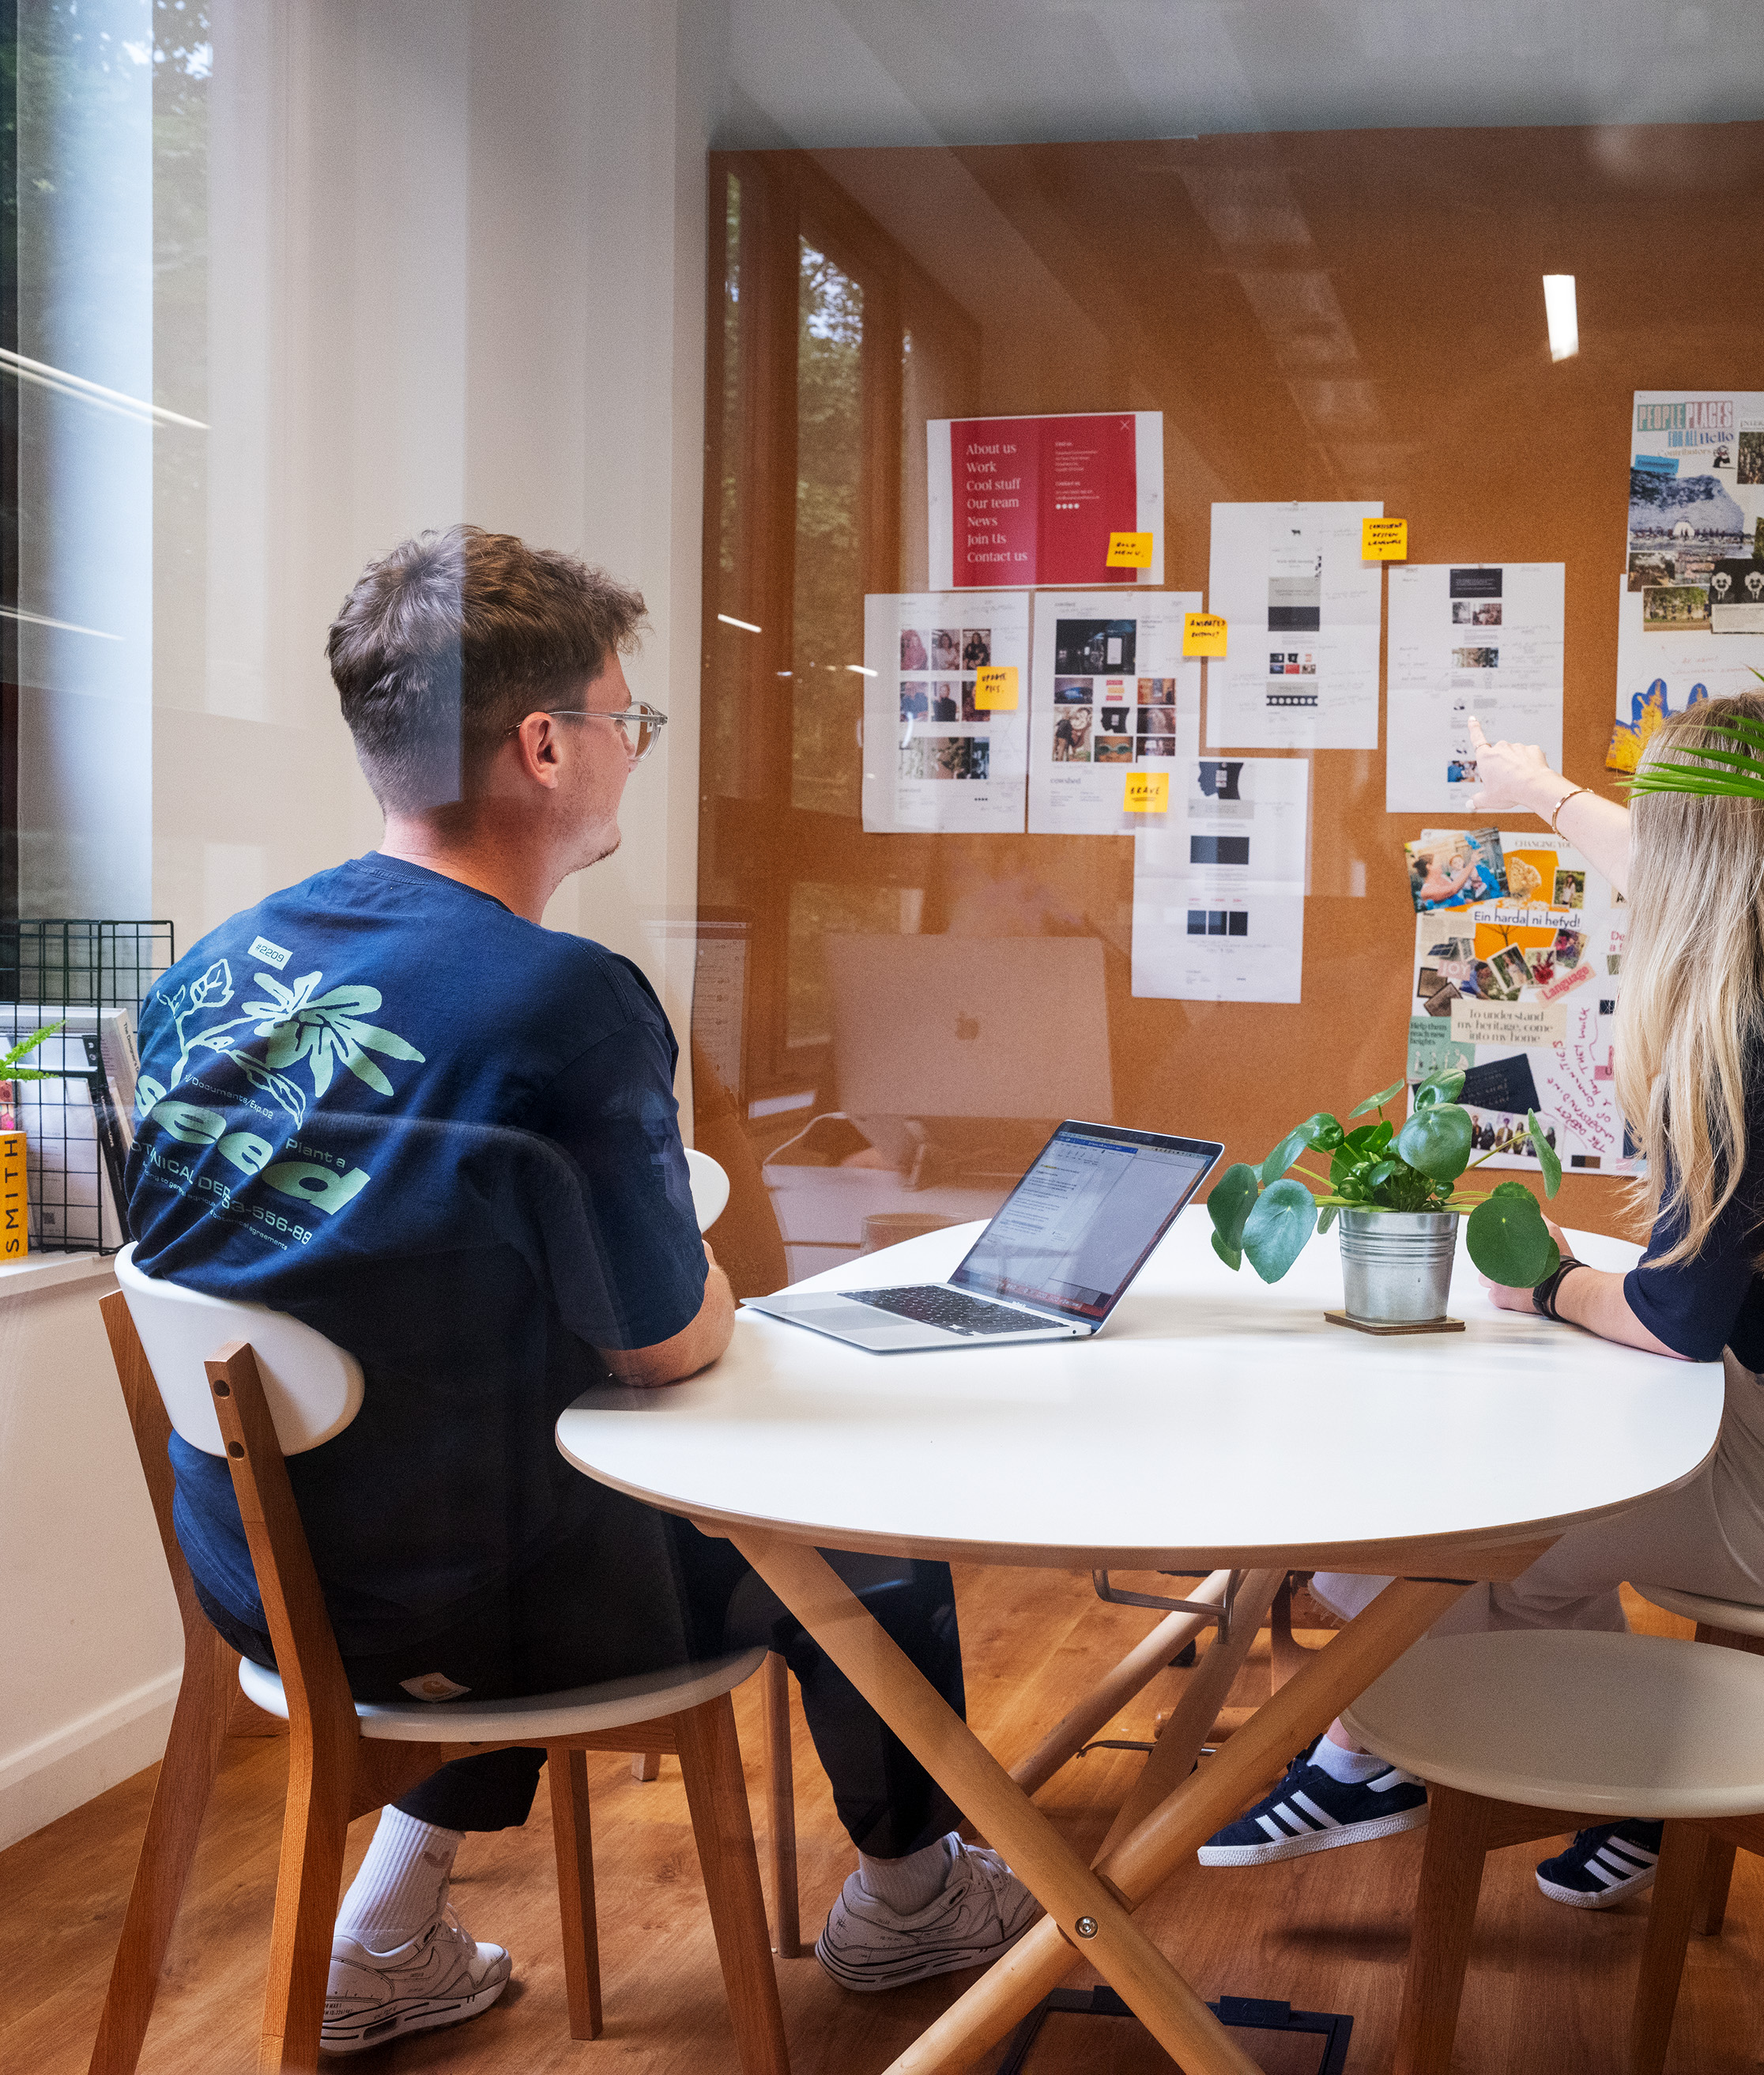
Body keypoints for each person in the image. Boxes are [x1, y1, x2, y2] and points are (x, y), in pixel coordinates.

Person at [126, 527, 1036, 2056]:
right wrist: (717, 1296)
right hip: (462, 1605)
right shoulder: (563, 999)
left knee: (487, 1490)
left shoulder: (216, 964)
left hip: (265, 1586)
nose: (635, 748)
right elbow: (666, 1338)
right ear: (543, 745)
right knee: (865, 1530)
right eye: (629, 716)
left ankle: (384, 1930)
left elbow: (365, 1254)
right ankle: (911, 1894)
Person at [1199, 694, 1764, 1913]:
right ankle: (1629, 1786)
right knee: (1542, 1572)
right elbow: (1657, 855)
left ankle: (1369, 1758)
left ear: (1699, 869)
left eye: (1658, 830)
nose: (1637, 854)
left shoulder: (1750, 1057)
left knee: (1427, 1539)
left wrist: (1551, 1281)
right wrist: (1538, 789)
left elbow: (1674, 1319)